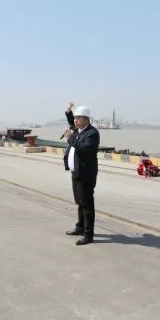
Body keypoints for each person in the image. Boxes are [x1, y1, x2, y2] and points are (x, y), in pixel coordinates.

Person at [63, 103, 100, 245]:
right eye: (75, 118)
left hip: (86, 175)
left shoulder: (92, 133)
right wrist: (69, 111)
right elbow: (71, 121)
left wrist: (70, 138)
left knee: (87, 205)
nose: (75, 121)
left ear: (86, 119)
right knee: (80, 202)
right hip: (76, 172)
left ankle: (88, 235)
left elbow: (85, 149)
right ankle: (80, 227)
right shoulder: (78, 130)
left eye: (78, 118)